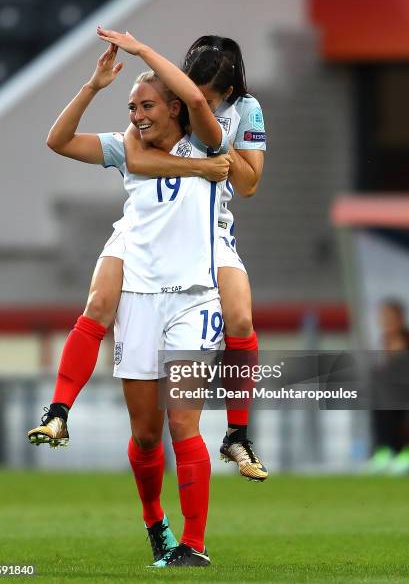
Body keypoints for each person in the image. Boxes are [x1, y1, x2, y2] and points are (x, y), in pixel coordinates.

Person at [28, 34, 268, 482]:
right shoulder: (137, 139)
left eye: (148, 106)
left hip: (207, 239)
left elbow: (249, 182)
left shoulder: (224, 122)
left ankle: (237, 432)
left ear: (224, 96)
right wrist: (95, 85)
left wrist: (216, 150)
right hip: (141, 246)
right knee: (99, 307)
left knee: (239, 319)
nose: (198, 103)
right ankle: (59, 409)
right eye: (135, 108)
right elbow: (79, 146)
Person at [367, 299, 409, 475]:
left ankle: (404, 453)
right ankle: (385, 451)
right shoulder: (384, 341)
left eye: (389, 318)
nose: (385, 322)